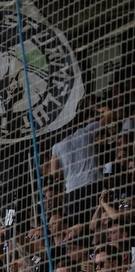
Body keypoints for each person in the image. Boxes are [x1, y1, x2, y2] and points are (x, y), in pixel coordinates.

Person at [50, 97, 102, 229]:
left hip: (73, 189)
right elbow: (109, 116)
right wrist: (97, 108)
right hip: (92, 182)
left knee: (77, 227)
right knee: (95, 220)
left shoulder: (57, 146)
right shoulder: (85, 132)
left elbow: (54, 173)